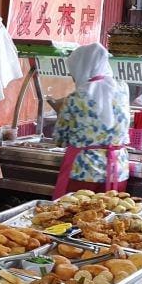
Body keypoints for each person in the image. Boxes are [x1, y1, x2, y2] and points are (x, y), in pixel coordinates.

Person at [51, 43, 130, 197]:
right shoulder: (123, 90)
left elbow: (59, 139)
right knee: (111, 216)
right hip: (117, 170)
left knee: (75, 215)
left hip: (84, 170)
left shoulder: (76, 97)